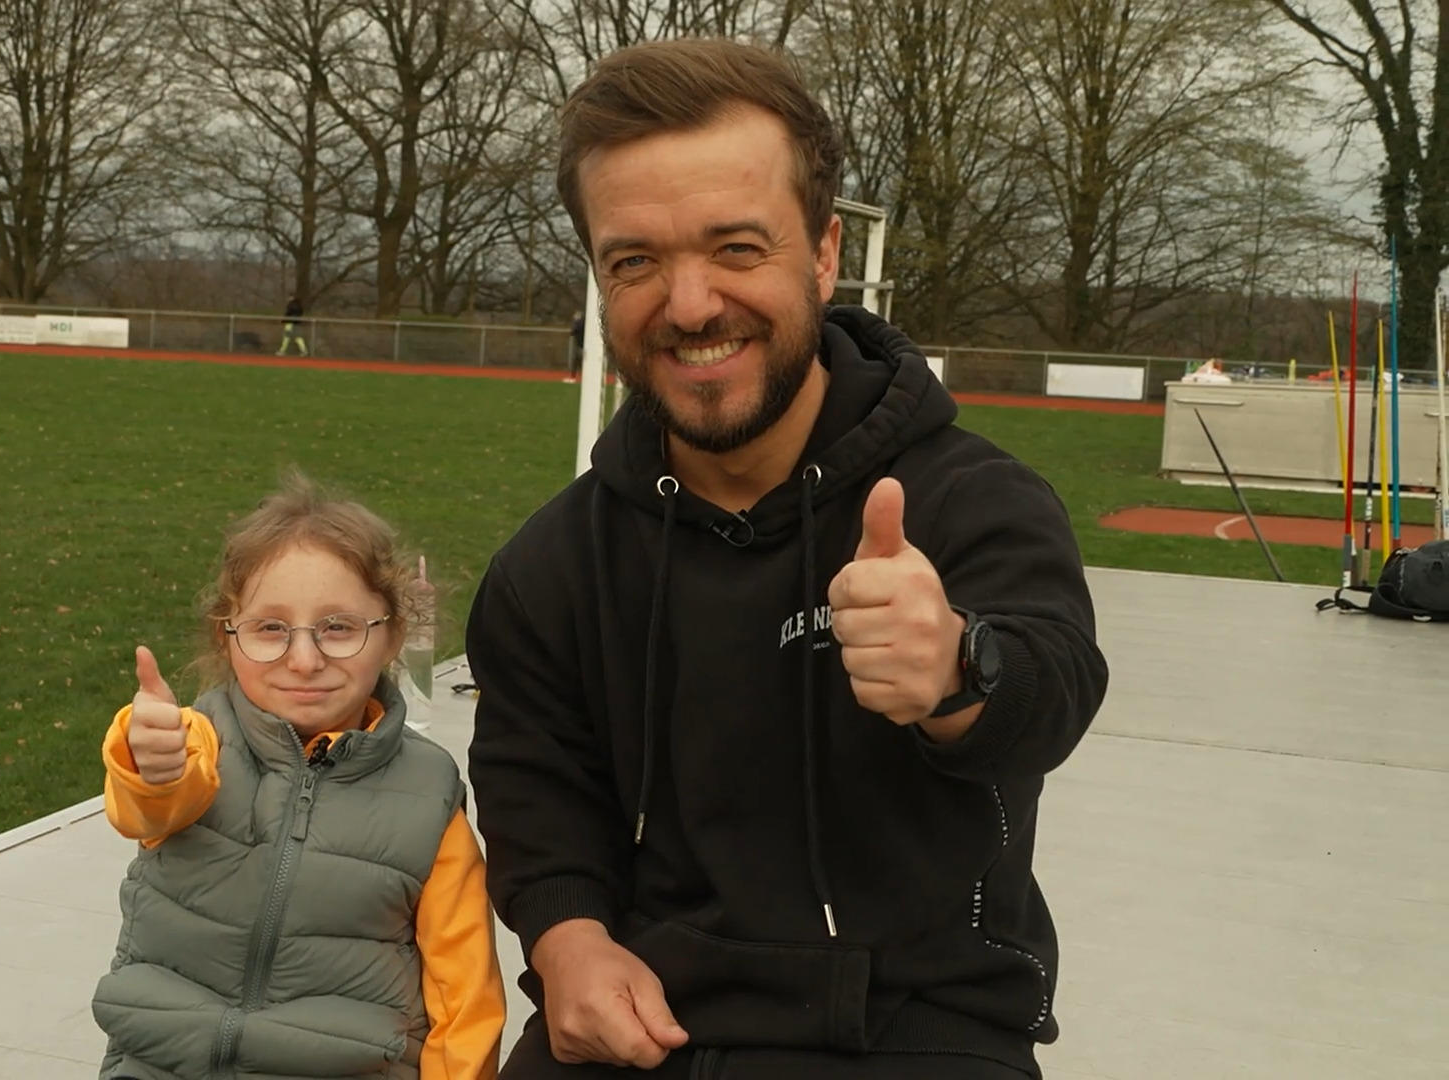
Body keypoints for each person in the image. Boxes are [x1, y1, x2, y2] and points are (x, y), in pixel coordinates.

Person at [464, 38, 1108, 1080]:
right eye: (635, 262)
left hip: (917, 1031)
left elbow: (1056, 686)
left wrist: (957, 666)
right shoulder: (551, 566)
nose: (688, 306)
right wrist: (567, 942)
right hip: (638, 1030)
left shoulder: (969, 500)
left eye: (735, 248)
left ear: (822, 254)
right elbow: (534, 788)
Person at [92, 473, 505, 1079]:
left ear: (392, 636)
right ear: (227, 637)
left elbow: (463, 994)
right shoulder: (199, 742)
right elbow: (150, 804)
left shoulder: (427, 793)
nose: (305, 660)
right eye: (270, 629)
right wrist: (148, 759)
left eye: (339, 627)